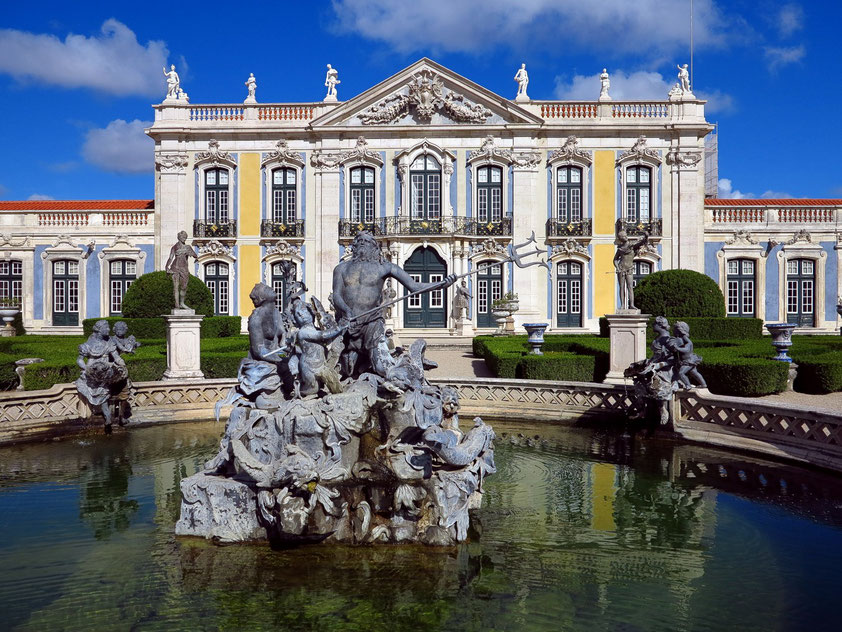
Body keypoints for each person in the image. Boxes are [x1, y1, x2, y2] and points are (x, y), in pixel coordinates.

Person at [332, 231, 456, 378]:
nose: (363, 242)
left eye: (367, 240)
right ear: (354, 246)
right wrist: (346, 310)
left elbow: (414, 287)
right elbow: (336, 295)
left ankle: (413, 366)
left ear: (375, 247)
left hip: (372, 324)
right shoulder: (341, 268)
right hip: (347, 325)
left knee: (384, 369)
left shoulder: (385, 267)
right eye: (359, 240)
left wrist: (441, 284)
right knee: (343, 370)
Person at [288, 299, 346, 397]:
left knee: (336, 386)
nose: (301, 315)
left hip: (321, 365)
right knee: (313, 389)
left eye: (304, 311)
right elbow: (322, 335)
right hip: (309, 368)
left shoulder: (314, 329)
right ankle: (298, 391)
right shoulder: (304, 332)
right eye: (298, 314)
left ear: (311, 312)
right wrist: (339, 327)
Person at [76, 320, 127, 431]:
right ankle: (107, 414)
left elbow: (116, 356)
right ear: (99, 330)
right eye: (106, 328)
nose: (109, 330)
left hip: (106, 369)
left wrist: (121, 363)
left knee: (114, 384)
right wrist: (86, 369)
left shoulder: (109, 342)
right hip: (92, 371)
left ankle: (114, 415)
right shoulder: (88, 345)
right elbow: (79, 360)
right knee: (101, 388)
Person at [613, 228, 649, 310]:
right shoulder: (620, 249)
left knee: (630, 287)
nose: (625, 237)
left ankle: (632, 305)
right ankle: (622, 305)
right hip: (621, 268)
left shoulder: (632, 246)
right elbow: (615, 259)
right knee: (621, 287)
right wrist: (617, 268)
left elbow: (642, 242)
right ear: (620, 238)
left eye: (625, 235)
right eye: (623, 236)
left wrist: (646, 236)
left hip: (629, 269)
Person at [165, 231, 197, 310]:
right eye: (183, 237)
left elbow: (195, 255)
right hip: (175, 268)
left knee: (184, 287)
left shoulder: (188, 247)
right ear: (179, 237)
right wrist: (166, 267)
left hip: (184, 269)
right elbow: (170, 258)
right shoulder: (174, 247)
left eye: (185, 237)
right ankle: (177, 306)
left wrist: (190, 253)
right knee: (175, 287)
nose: (184, 239)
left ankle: (182, 303)